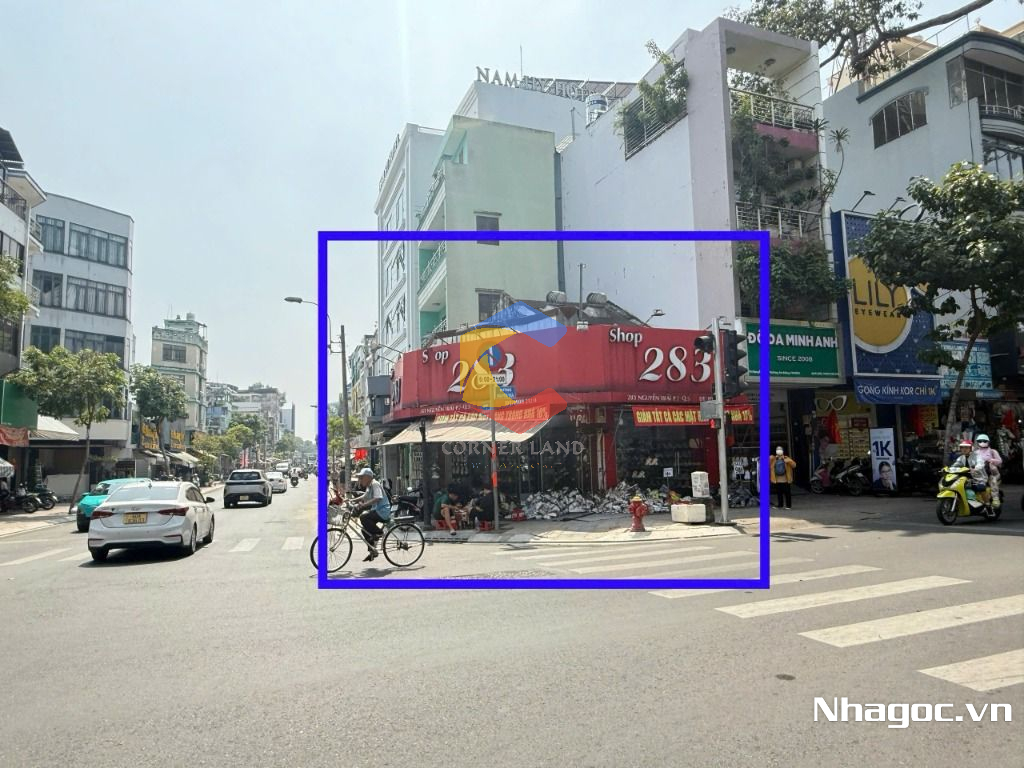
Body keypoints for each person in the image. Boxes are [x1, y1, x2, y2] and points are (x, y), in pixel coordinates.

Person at [351, 468, 391, 561]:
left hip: (382, 511)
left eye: (362, 477)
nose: (360, 479)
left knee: (363, 517)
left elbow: (378, 497)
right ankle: (372, 551)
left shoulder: (375, 484)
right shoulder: (370, 485)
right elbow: (364, 496)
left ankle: (379, 533)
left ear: (368, 477)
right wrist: (351, 500)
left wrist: (363, 505)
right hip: (377, 510)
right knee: (364, 530)